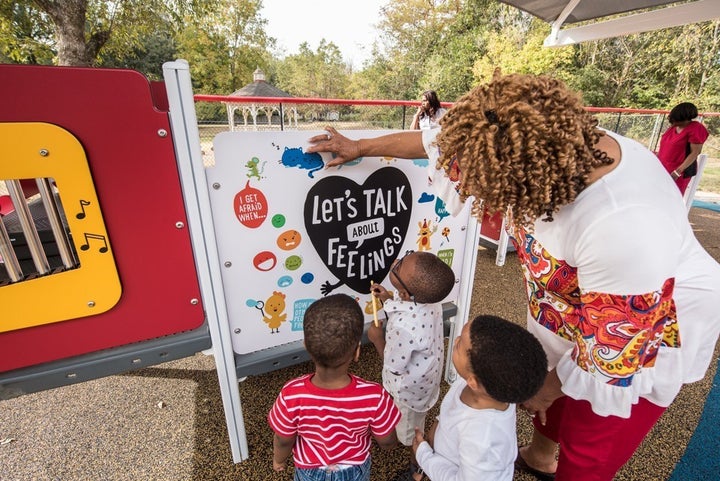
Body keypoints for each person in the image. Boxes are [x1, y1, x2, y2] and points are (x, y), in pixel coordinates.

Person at [307, 71, 720, 481]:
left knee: (590, 439)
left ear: (524, 181)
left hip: (638, 330)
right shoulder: (526, 139)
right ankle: (540, 457)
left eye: (477, 182)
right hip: (569, 306)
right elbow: (436, 144)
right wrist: (359, 145)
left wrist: (546, 387)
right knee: (550, 393)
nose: (460, 182)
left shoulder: (625, 226)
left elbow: (609, 355)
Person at [268, 293, 400, 481]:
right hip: (354, 470)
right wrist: (390, 446)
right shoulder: (374, 395)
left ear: (306, 346)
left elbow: (283, 439)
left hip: (309, 470)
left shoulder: (291, 393)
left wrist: (279, 460)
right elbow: (387, 440)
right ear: (357, 352)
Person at [412, 314, 548, 481]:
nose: (455, 341)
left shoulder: (483, 440)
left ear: (474, 382)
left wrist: (424, 457)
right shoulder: (492, 387)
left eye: (459, 344)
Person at [367, 250, 456, 481]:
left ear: (405, 292)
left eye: (399, 267)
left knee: (410, 433)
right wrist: (387, 299)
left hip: (408, 392)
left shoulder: (404, 327)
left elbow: (393, 365)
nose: (395, 262)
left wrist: (377, 339)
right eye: (405, 256)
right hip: (426, 381)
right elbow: (406, 307)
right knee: (417, 417)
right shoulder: (430, 302)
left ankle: (418, 466)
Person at [656, 102, 709, 195]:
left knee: (672, 196)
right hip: (662, 167)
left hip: (678, 171)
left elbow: (695, 152)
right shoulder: (673, 128)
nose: (673, 122)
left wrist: (678, 172)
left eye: (676, 120)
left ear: (685, 118)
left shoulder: (695, 128)